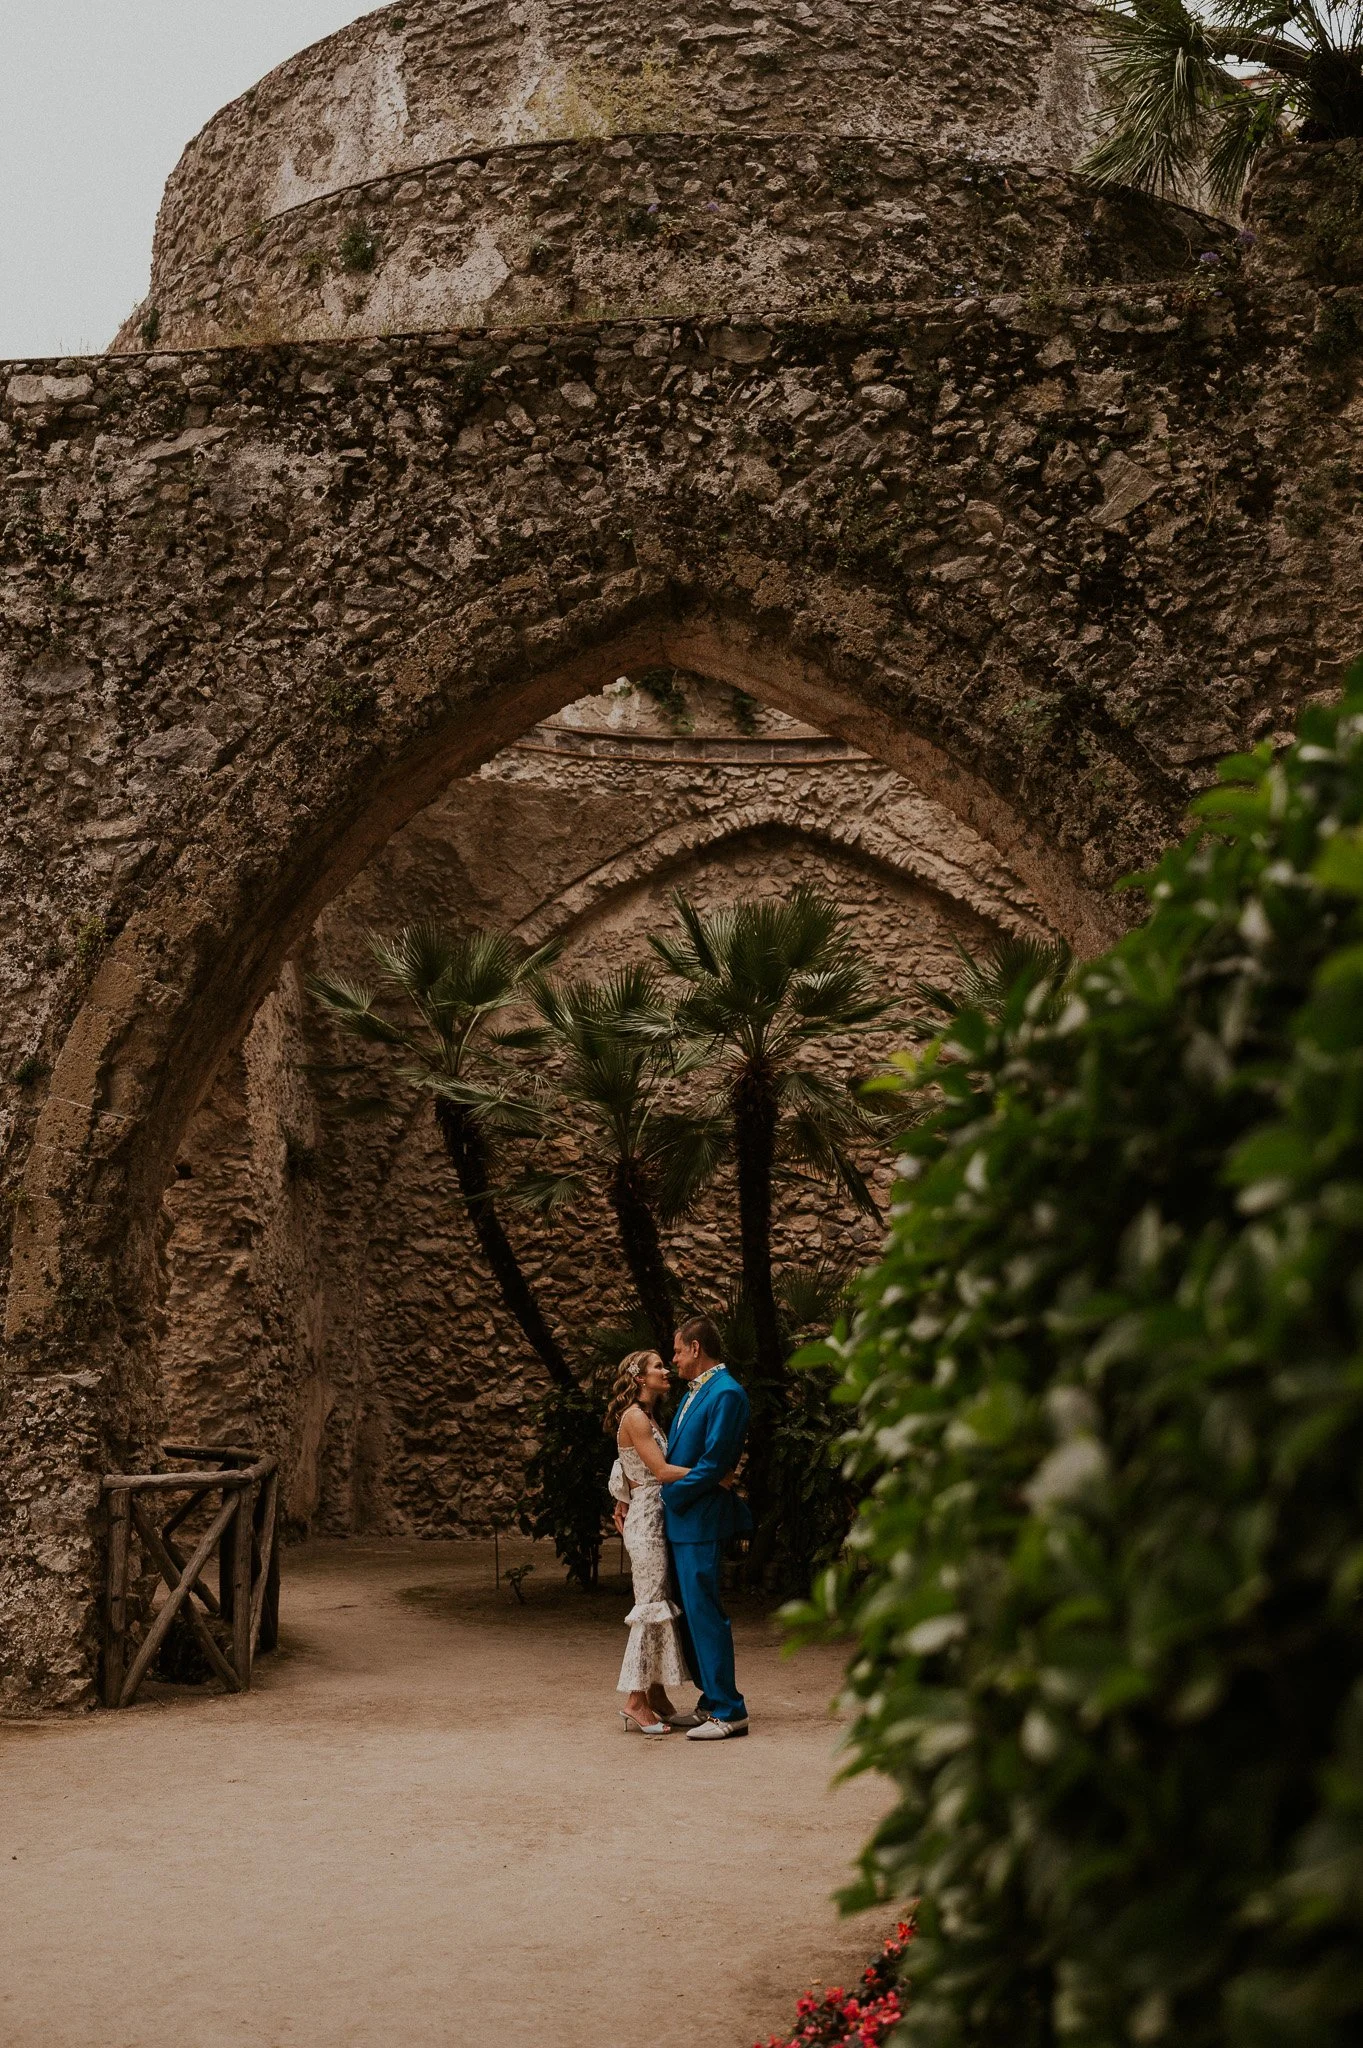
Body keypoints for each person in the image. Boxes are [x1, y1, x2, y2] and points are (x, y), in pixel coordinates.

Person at [658, 1314, 752, 1740]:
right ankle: (709, 1700)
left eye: (677, 1351)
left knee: (706, 1615)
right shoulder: (695, 1392)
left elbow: (716, 1463)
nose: (674, 1360)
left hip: (702, 1519)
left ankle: (730, 1710)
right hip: (684, 1522)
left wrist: (670, 1495)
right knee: (690, 1616)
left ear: (696, 1348)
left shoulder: (727, 1393)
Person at [605, 1349, 694, 1736]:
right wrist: (712, 1474)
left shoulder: (647, 1417)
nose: (666, 1370)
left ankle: (656, 1695)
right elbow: (658, 1470)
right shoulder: (636, 1416)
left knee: (659, 1605)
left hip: (654, 1515)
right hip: (647, 1521)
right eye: (658, 1365)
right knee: (649, 1606)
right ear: (639, 1377)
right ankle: (635, 1700)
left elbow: (625, 1464)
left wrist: (621, 1497)